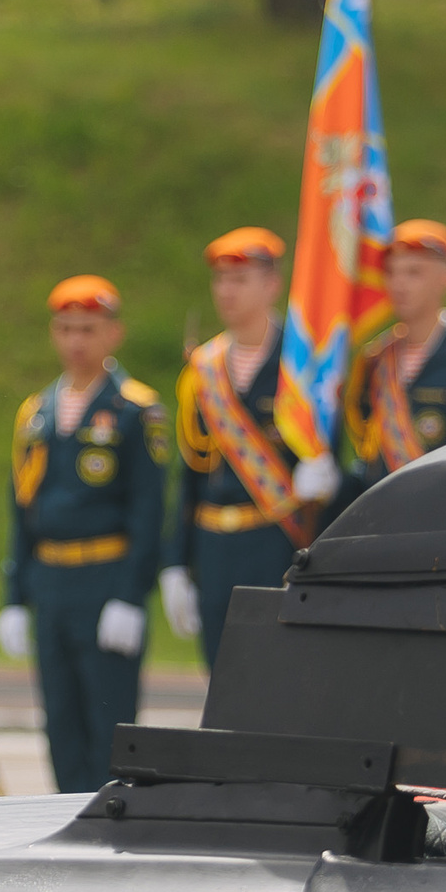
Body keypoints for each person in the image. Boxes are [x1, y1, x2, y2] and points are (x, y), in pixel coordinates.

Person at [0, 276, 167, 794]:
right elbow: (23, 509)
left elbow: (148, 510)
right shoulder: (36, 413)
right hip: (51, 581)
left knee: (109, 726)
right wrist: (15, 596)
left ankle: (112, 827)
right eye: (65, 328)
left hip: (104, 577)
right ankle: (67, 823)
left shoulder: (135, 409)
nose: (75, 341)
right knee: (61, 722)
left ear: (113, 334)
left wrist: (130, 596)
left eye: (88, 329)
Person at [161, 228, 312, 662]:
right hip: (213, 549)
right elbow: (189, 474)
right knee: (220, 674)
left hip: (276, 543)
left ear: (272, 285)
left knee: (275, 674)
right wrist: (176, 563)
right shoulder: (203, 369)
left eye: (240, 280)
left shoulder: (301, 363)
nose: (226, 291)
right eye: (220, 280)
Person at [338, 219, 446, 497]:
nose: (398, 284)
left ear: (444, 278)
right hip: (382, 509)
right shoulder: (374, 360)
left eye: (414, 273)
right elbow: (367, 450)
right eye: (391, 272)